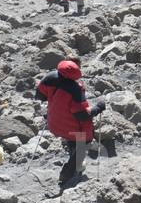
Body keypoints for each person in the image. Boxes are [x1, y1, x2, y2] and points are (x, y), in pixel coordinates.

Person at [36, 59, 105, 190]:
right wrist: (98, 108)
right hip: (73, 127)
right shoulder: (75, 89)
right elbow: (82, 115)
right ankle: (66, 175)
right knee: (83, 140)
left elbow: (40, 95)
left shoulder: (50, 77)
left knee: (71, 138)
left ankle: (76, 163)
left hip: (54, 122)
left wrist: (56, 101)